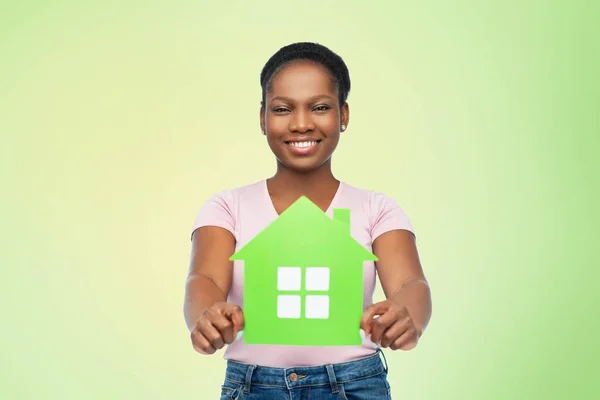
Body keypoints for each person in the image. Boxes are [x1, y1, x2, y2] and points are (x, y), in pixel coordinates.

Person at [184, 42, 432, 399]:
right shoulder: (228, 207)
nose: (301, 124)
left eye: (319, 107)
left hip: (355, 385)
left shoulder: (376, 209)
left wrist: (408, 316)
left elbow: (410, 281)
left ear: (343, 115)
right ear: (262, 117)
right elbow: (204, 277)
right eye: (283, 109)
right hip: (254, 387)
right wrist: (205, 316)